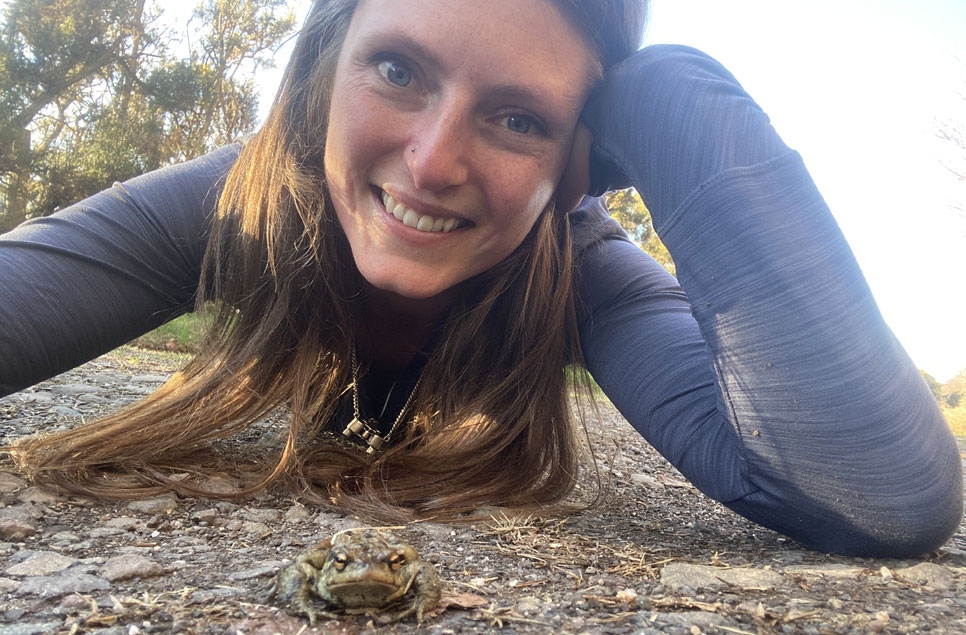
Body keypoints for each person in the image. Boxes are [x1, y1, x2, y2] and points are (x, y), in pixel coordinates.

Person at [0, 0, 960, 558]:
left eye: (520, 119)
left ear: (580, 162)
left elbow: (881, 489)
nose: (429, 162)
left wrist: (670, 93)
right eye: (396, 68)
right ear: (321, 71)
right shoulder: (242, 198)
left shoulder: (583, 267)